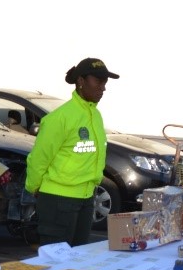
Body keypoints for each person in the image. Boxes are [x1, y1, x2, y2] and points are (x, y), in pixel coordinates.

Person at [24, 57, 116, 246]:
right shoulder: (60, 118)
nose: (103, 88)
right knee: (55, 259)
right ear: (81, 81)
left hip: (86, 198)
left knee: (78, 259)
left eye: (105, 82)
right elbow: (39, 158)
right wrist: (35, 188)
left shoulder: (95, 115)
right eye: (98, 81)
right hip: (58, 199)